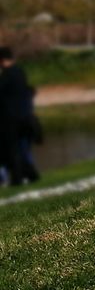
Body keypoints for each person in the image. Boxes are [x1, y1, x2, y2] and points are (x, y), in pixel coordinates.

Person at [0, 46, 41, 186]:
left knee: (12, 150)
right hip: (24, 117)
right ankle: (30, 174)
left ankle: (18, 179)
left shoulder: (7, 75)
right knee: (20, 150)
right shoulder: (19, 72)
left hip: (11, 119)